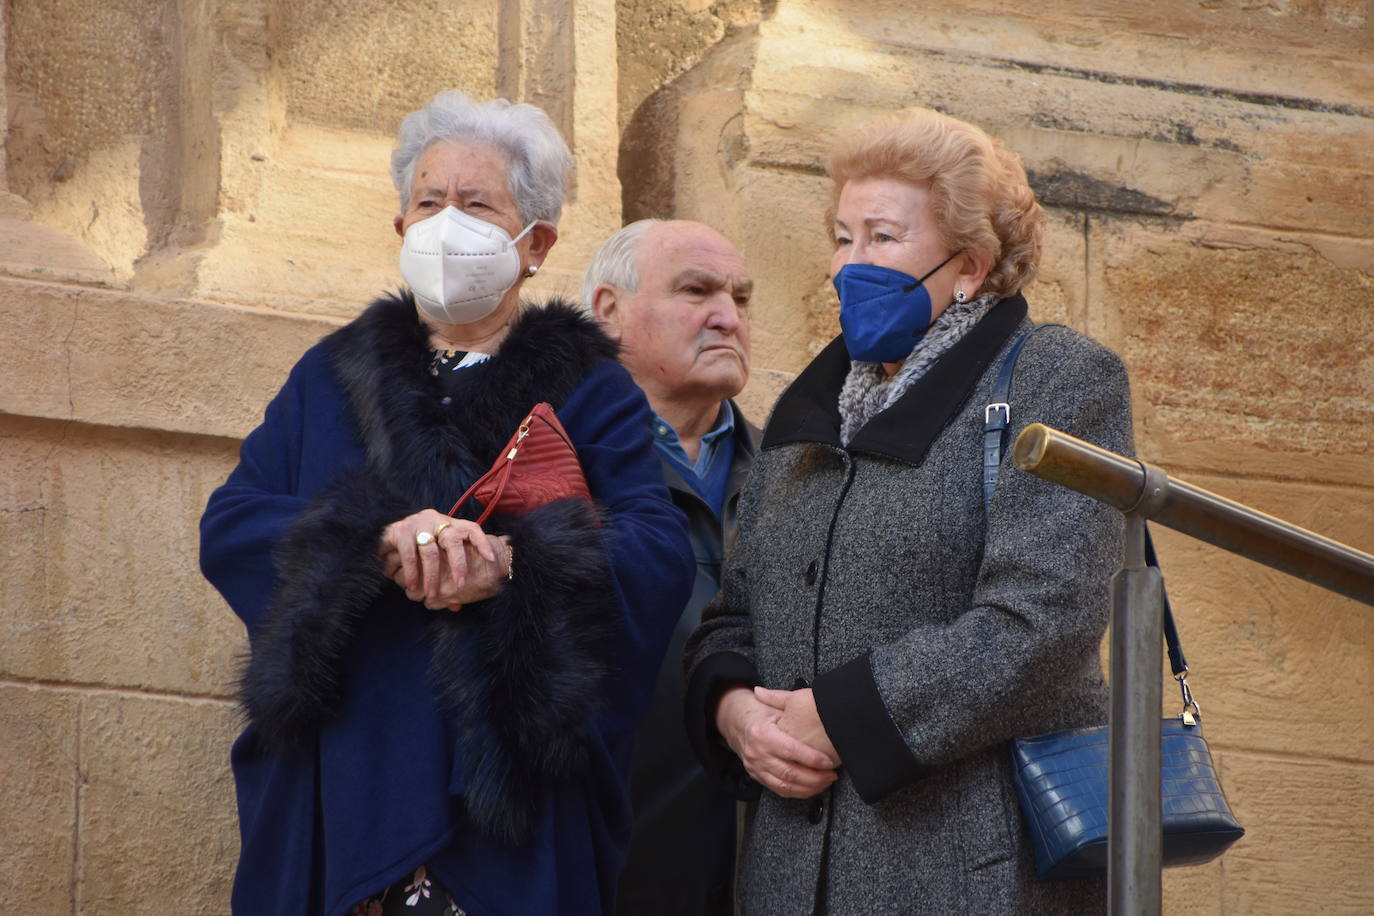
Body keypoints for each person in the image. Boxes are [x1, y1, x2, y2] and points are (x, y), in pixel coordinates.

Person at [199, 90, 694, 916]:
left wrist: (510, 564)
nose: (445, 223)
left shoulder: (593, 388)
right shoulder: (329, 375)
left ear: (534, 243)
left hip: (507, 798)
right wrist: (375, 543)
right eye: (428, 202)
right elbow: (234, 524)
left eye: (476, 204)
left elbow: (657, 549)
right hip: (344, 774)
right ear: (399, 229)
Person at [683, 107, 1134, 913]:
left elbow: (1047, 621)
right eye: (842, 235)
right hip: (788, 875)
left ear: (969, 265)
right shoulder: (811, 403)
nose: (850, 265)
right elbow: (736, 614)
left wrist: (849, 715)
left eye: (883, 238)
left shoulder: (1057, 378)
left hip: (967, 870)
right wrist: (735, 711)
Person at [582, 219, 759, 915]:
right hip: (596, 869)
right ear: (608, 311)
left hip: (755, 877)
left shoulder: (801, 474)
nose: (728, 318)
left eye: (742, 299)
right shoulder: (547, 464)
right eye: (697, 291)